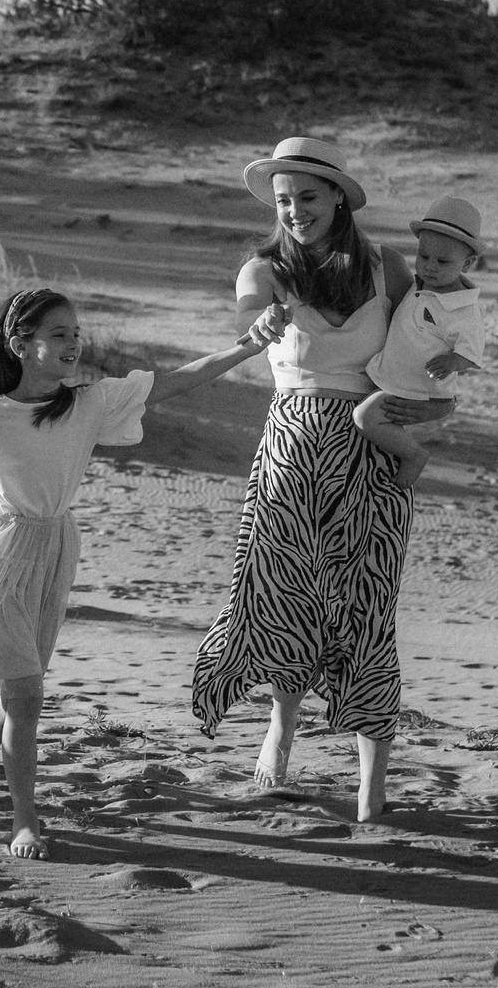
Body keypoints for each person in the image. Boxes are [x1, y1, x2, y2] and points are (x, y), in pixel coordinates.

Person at [0, 287, 289, 859]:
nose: (74, 343)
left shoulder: (90, 401)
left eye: (75, 333)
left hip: (55, 546)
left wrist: (248, 345)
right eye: (58, 335)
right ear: (21, 344)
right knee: (25, 691)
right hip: (1, 550)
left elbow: (175, 380)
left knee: (22, 678)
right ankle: (26, 820)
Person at [188, 136, 452, 822]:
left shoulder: (386, 267)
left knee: (368, 606)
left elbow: (423, 339)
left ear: (337, 195)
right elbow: (250, 315)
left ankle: (372, 786)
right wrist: (263, 320)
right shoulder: (264, 268)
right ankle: (283, 718)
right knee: (285, 597)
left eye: (307, 195)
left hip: (369, 452)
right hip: (292, 456)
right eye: (283, 200)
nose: (296, 210)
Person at [353, 197, 488, 487]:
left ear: (467, 263)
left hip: (418, 389)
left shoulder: (462, 308)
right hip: (399, 378)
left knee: (365, 417)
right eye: (424, 256)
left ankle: (413, 454)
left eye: (442, 261)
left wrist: (452, 361)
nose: (430, 267)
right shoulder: (420, 285)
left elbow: (473, 351)